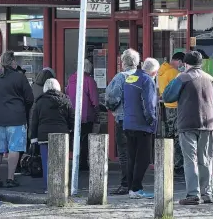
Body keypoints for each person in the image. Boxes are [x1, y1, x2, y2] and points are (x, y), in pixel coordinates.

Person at [162, 51, 213, 205]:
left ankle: (193, 194)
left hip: (187, 123)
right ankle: (207, 193)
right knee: (205, 159)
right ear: (200, 63)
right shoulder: (211, 79)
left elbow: (167, 96)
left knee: (190, 160)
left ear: (185, 64)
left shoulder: (182, 77)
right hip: (207, 124)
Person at [0, 51, 34, 188]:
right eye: (15, 61)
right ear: (12, 61)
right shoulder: (19, 78)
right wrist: (22, 108)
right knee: (14, 148)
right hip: (16, 118)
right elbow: (30, 98)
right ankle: (10, 178)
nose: (16, 63)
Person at [123, 57, 160, 199]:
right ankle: (136, 188)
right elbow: (149, 104)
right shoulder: (147, 81)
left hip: (128, 123)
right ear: (154, 72)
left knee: (132, 157)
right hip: (142, 125)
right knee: (143, 158)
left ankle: (131, 187)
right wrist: (152, 121)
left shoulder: (130, 78)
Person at [105, 48, 140, 195]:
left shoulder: (121, 77)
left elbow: (112, 97)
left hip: (123, 119)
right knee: (137, 153)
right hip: (140, 121)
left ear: (123, 62)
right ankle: (136, 184)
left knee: (125, 154)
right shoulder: (143, 76)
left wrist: (111, 107)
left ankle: (126, 184)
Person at [30, 78, 74, 193]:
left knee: (46, 162)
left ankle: (49, 187)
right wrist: (70, 129)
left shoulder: (39, 101)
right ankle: (62, 186)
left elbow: (34, 121)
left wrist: (33, 138)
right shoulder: (65, 99)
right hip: (61, 135)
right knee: (62, 161)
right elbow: (71, 118)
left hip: (44, 136)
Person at [66, 59, 99, 171]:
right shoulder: (89, 80)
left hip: (73, 114)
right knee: (84, 140)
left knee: (76, 138)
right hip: (85, 115)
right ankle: (83, 163)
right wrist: (97, 112)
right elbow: (94, 100)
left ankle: (76, 160)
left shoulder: (71, 79)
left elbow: (67, 94)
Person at [158, 51, 185, 175]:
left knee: (169, 137)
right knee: (178, 137)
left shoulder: (162, 71)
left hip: (166, 107)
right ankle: (178, 164)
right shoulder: (174, 73)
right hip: (176, 107)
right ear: (179, 61)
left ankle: (169, 162)